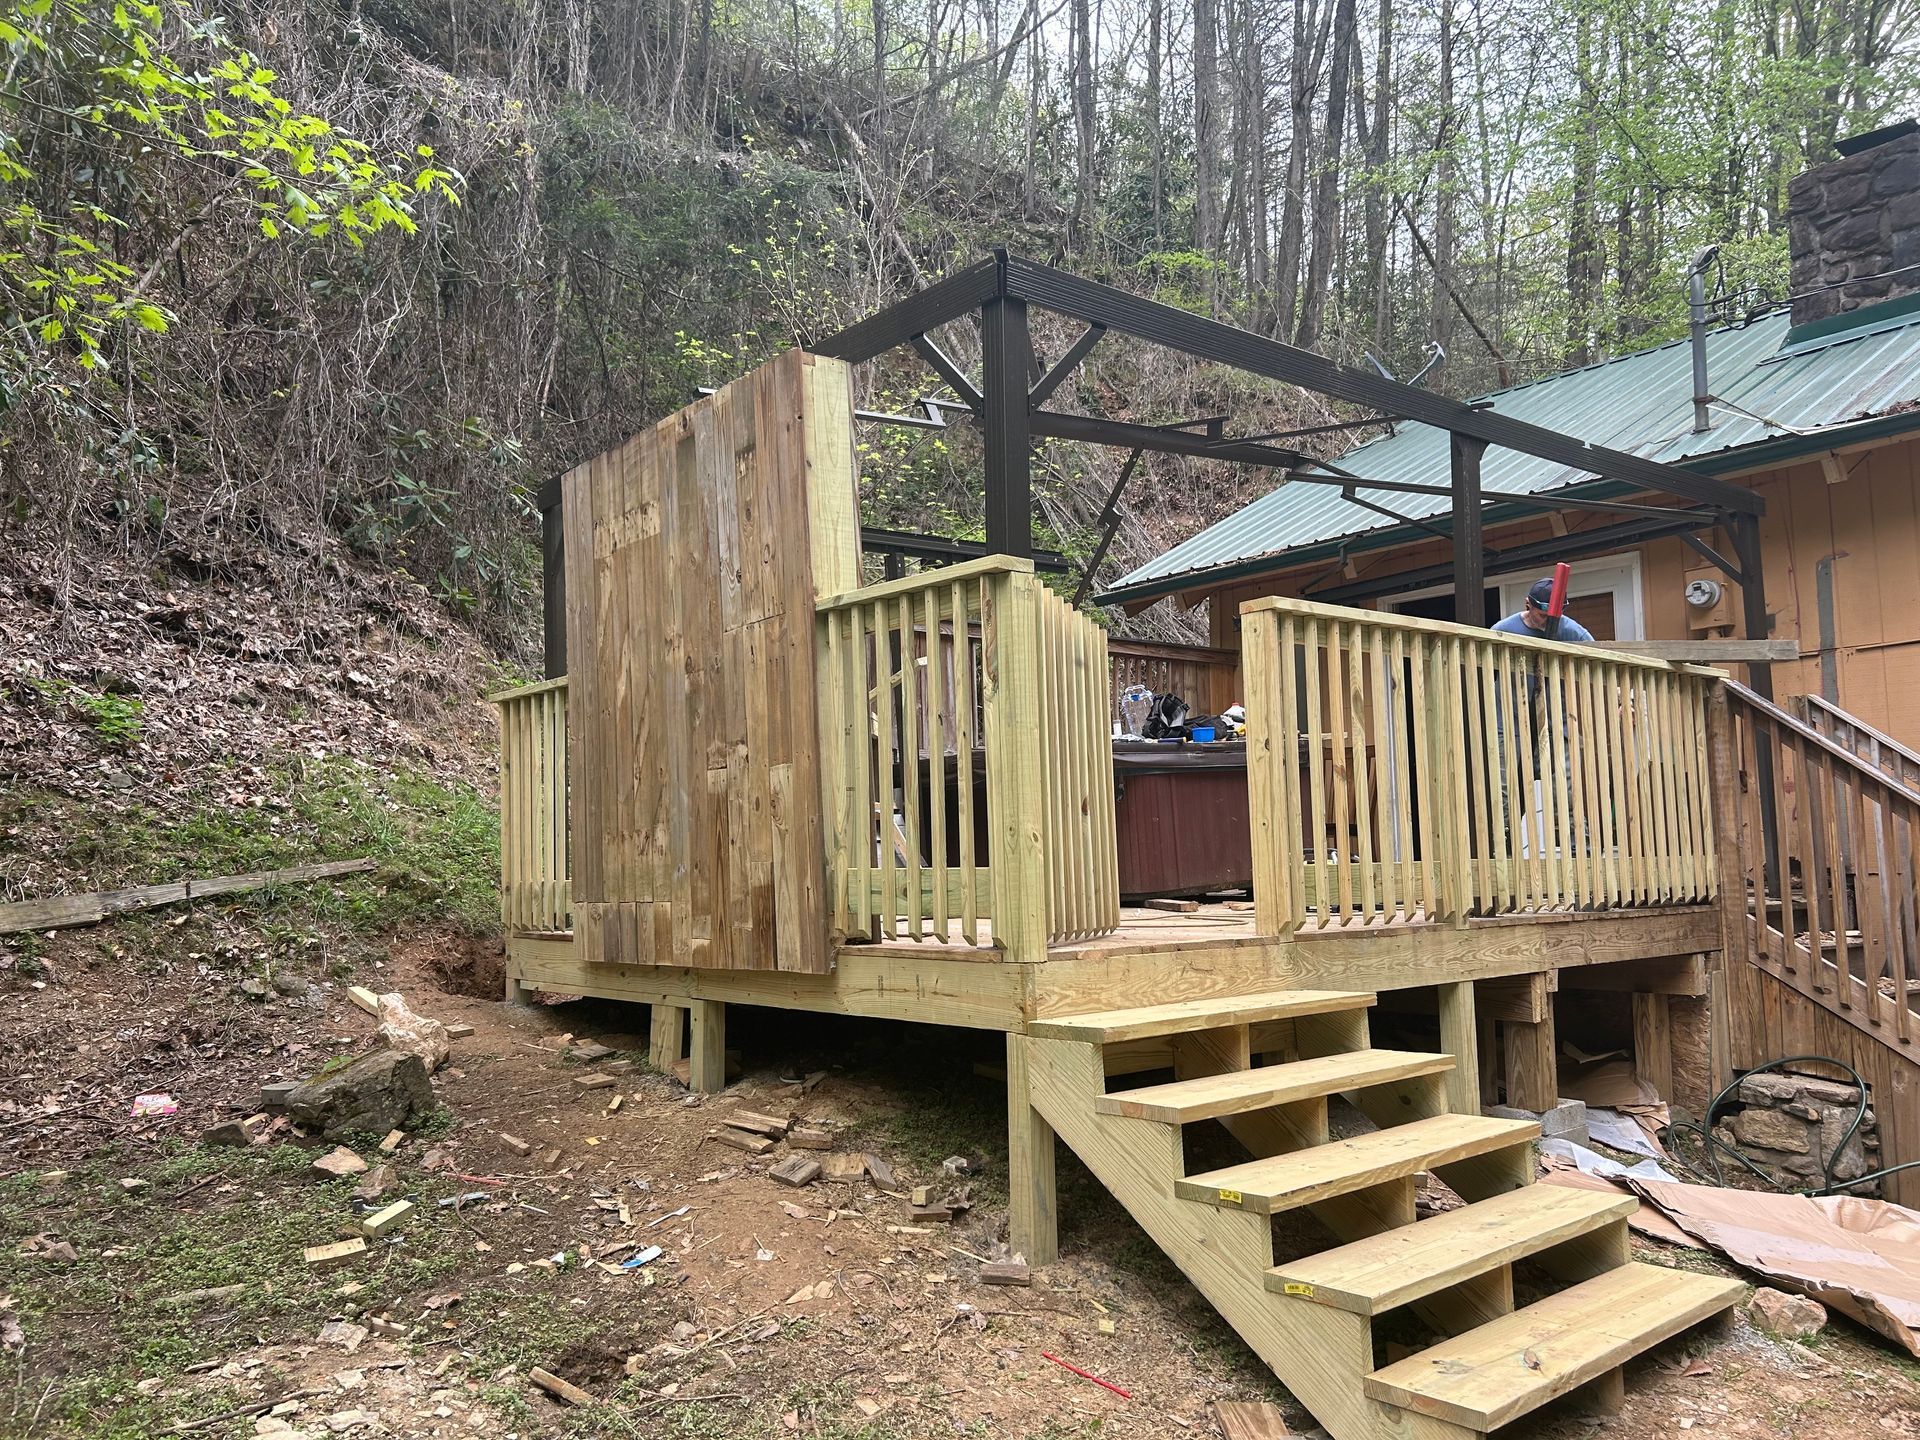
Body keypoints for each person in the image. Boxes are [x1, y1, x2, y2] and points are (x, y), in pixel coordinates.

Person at [1492, 576, 1595, 644]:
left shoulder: (1573, 631)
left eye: (1555, 617)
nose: (1549, 621)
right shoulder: (1504, 630)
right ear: (1528, 604)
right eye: (1542, 615)